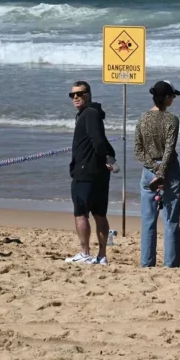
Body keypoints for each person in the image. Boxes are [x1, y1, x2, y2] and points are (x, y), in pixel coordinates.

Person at [133, 81, 180, 268]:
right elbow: (169, 151)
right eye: (173, 96)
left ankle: (147, 263)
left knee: (148, 220)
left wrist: (153, 167)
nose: (173, 99)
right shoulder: (172, 120)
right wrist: (161, 172)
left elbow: (138, 150)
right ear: (167, 98)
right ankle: (170, 265)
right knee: (170, 220)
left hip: (148, 170)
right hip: (168, 170)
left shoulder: (143, 119)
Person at [67, 80, 115, 265]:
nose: (76, 97)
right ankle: (101, 256)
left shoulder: (89, 114)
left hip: (87, 172)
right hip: (98, 173)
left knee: (82, 213)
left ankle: (86, 252)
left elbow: (99, 142)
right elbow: (102, 141)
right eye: (73, 95)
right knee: (99, 214)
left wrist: (106, 157)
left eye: (80, 93)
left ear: (88, 94)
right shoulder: (91, 114)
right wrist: (111, 156)